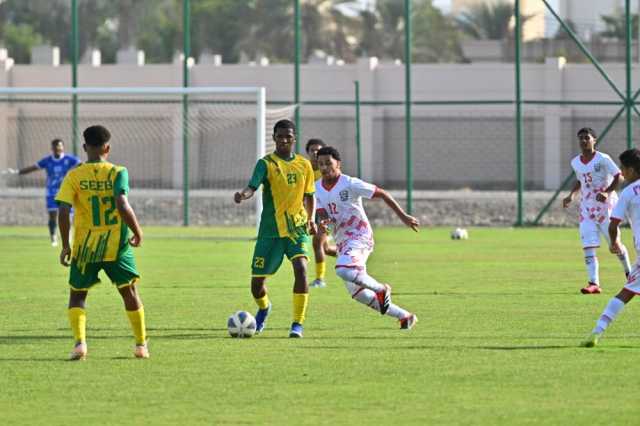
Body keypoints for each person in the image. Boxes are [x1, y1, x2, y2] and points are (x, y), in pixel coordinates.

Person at [55, 125, 148, 360]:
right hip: (116, 246)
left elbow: (64, 210)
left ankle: (80, 344)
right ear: (108, 147)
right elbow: (122, 204)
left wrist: (66, 245)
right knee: (129, 291)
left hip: (86, 247)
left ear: (85, 147)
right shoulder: (118, 172)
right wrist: (137, 231)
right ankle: (140, 346)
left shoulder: (74, 175)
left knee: (77, 295)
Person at [314, 146, 419, 329]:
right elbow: (326, 219)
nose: (324, 167)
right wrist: (322, 228)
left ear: (338, 163)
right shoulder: (317, 189)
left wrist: (403, 217)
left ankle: (381, 289)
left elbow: (382, 194)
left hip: (360, 235)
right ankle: (405, 316)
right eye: (321, 164)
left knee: (342, 270)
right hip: (343, 241)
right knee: (359, 294)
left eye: (328, 163)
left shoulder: (350, 183)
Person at [234, 119, 316, 338]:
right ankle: (264, 308)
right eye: (280, 136)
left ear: (294, 138)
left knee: (301, 268)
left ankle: (297, 324)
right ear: (274, 138)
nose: (284, 140)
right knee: (257, 284)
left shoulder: (304, 164)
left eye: (288, 136)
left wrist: (311, 219)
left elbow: (309, 195)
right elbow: (252, 187)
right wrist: (243, 195)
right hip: (270, 232)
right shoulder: (266, 163)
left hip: (296, 229)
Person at [563, 127, 631, 294]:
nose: (583, 141)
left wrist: (607, 192)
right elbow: (581, 180)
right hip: (586, 210)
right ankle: (594, 283)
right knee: (588, 246)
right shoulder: (575, 162)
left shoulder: (603, 158)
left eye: (587, 137)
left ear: (595, 140)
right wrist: (572, 195)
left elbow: (619, 176)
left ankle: (630, 275)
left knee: (615, 245)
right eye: (581, 138)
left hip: (606, 209)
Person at [583, 148, 640, 347]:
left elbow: (613, 224)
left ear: (632, 170)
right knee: (629, 291)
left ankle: (595, 333)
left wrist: (614, 242)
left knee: (626, 293)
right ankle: (596, 332)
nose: (621, 172)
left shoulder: (628, 193)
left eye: (623, 168)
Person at [3, 139, 80, 246]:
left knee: (68, 216)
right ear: (52, 148)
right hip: (52, 192)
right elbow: (34, 168)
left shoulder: (70, 159)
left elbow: (81, 165)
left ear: (63, 147)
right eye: (55, 147)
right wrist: (17, 172)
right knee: (53, 215)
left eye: (60, 146)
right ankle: (53, 236)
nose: (58, 149)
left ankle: (68, 236)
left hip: (66, 192)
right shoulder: (47, 160)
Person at [305, 138, 337, 288]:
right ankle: (349, 255)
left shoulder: (326, 170)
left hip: (326, 212)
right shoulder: (303, 168)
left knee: (317, 242)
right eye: (312, 150)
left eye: (318, 150)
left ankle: (320, 279)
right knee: (325, 248)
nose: (315, 152)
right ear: (308, 152)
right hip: (309, 210)